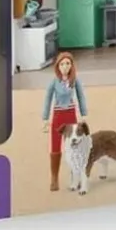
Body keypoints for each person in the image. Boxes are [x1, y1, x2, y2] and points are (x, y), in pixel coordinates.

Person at [41, 51, 88, 192]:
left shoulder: (75, 80)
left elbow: (81, 96)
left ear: (72, 65)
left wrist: (83, 114)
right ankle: (54, 178)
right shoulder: (54, 82)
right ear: (58, 66)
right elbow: (47, 99)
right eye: (62, 64)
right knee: (55, 146)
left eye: (68, 63)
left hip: (71, 115)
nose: (65, 66)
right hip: (58, 115)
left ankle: (76, 176)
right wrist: (45, 118)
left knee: (74, 146)